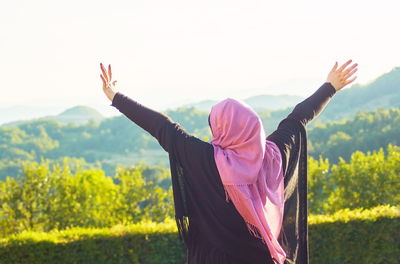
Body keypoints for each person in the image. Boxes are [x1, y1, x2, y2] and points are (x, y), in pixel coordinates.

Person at [100, 60, 358, 264]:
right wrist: (330, 86)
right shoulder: (273, 155)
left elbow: (163, 127)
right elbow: (297, 119)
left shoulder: (204, 159)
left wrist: (116, 97)